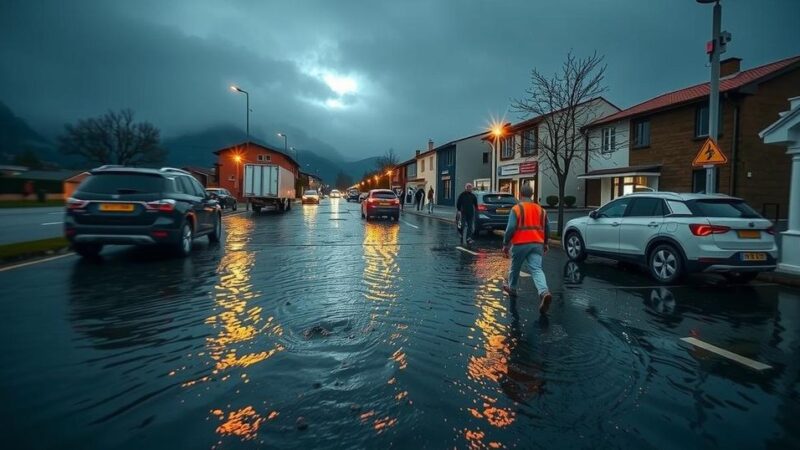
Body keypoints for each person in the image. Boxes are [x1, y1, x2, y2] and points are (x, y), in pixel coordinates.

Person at [501, 184, 552, 315]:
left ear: (520, 194)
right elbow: (547, 228)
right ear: (532, 194)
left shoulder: (517, 208)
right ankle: (544, 292)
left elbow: (511, 228)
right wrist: (545, 243)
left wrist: (506, 244)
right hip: (537, 244)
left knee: (515, 267)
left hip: (520, 243)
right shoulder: (541, 209)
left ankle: (512, 288)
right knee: (536, 269)